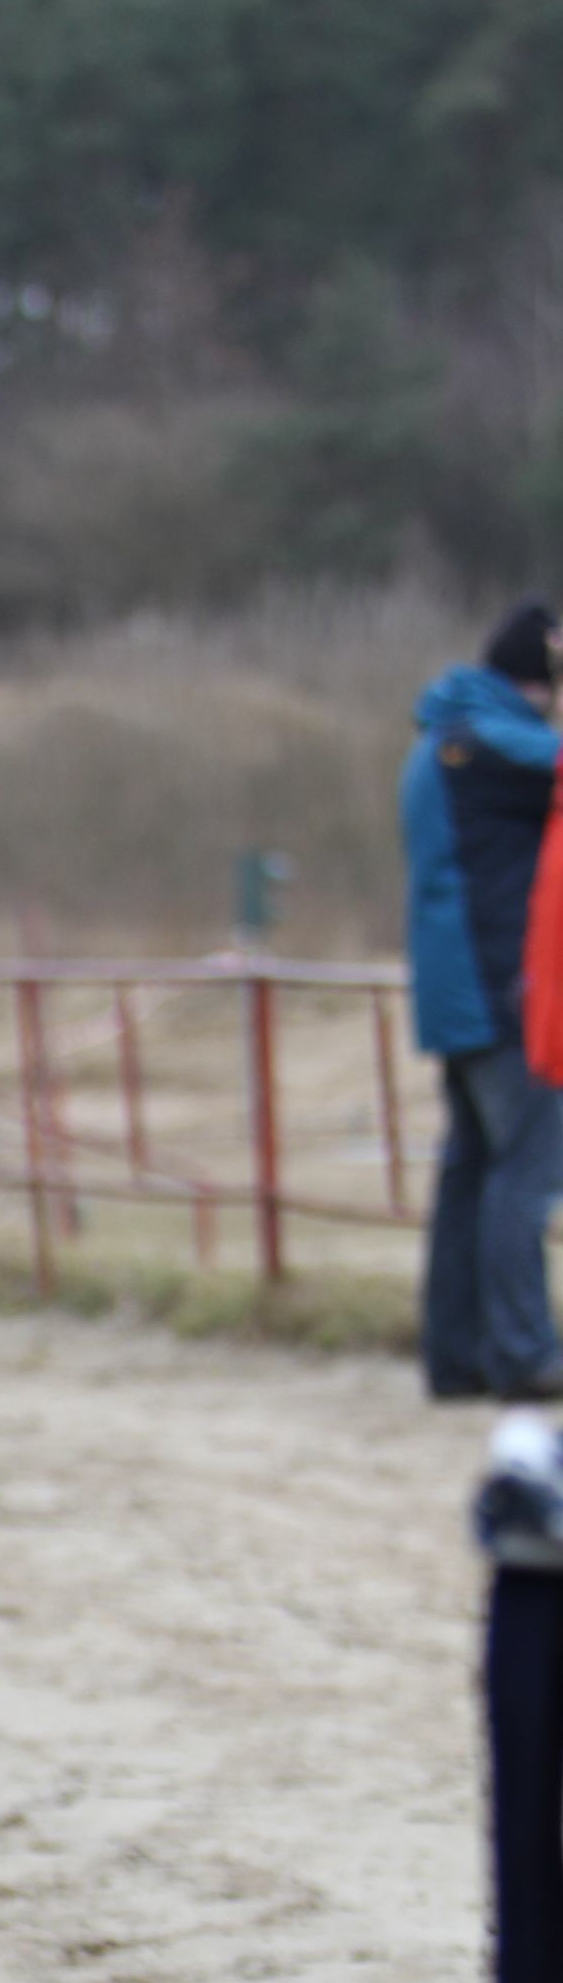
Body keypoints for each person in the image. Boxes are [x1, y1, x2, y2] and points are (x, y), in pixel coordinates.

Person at [402, 599, 563, 1400]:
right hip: (500, 990)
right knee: (524, 1173)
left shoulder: (443, 737)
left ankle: (457, 1355)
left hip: (456, 995)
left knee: (470, 1176)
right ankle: (524, 1353)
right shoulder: (493, 744)